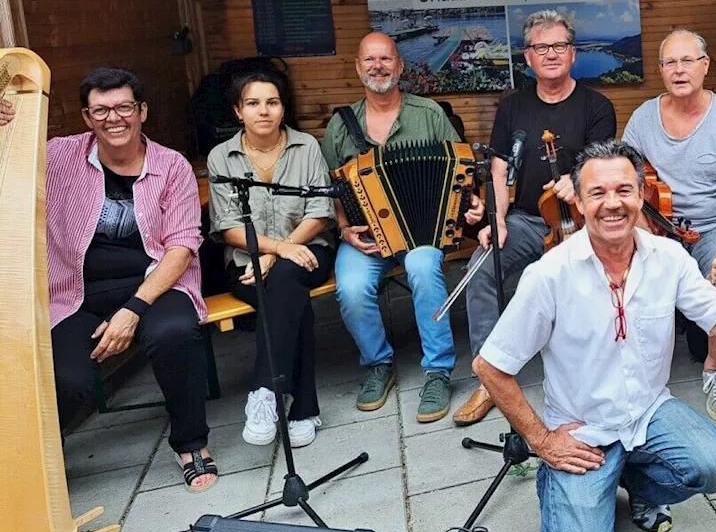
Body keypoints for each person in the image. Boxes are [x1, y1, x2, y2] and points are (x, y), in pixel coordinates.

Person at [472, 140, 716, 532]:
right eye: (597, 193)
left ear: (642, 195)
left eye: (624, 190)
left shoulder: (669, 257)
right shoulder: (549, 273)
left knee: (714, 465)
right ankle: (563, 483)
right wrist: (543, 441)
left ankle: (636, 485)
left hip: (647, 413)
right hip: (583, 432)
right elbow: (490, 366)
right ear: (578, 203)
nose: (612, 204)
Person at [42, 67, 217, 492]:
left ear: (142, 111)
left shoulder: (170, 165)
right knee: (69, 378)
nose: (112, 118)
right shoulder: (57, 155)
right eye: (100, 110)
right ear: (86, 117)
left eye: (123, 107)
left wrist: (133, 310)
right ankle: (38, 466)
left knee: (174, 333)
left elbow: (181, 246)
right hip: (75, 293)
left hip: (155, 285)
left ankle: (191, 442)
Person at [454, 10, 617, 426]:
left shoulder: (597, 106)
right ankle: (491, 379)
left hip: (585, 226)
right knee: (481, 269)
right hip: (527, 219)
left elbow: (604, 168)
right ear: (527, 57)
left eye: (559, 46)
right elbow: (497, 169)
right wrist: (498, 218)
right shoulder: (512, 109)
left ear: (572, 53)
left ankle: (602, 371)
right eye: (541, 47)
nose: (551, 54)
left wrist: (577, 182)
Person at [320, 32, 483, 423]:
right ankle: (378, 364)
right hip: (366, 237)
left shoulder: (428, 113)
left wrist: (470, 203)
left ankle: (439, 370)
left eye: (386, 59)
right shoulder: (341, 126)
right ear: (359, 68)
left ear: (400, 66)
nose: (379, 66)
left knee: (424, 267)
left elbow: (460, 171)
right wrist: (344, 229)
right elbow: (331, 189)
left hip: (422, 232)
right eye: (370, 60)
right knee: (352, 287)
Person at [622, 28, 716, 423]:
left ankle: (714, 370)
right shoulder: (643, 117)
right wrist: (642, 228)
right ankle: (636, 376)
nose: (679, 70)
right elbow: (629, 180)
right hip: (657, 224)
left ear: (704, 66)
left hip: (713, 225)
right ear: (661, 70)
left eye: (687, 61)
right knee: (624, 279)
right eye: (670, 63)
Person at [207, 71, 335, 448]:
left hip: (310, 252)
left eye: (272, 102)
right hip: (247, 265)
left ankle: (265, 390)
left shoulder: (306, 146)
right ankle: (303, 408)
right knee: (287, 294)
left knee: (284, 282)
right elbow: (227, 227)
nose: (264, 111)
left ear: (283, 109)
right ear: (238, 111)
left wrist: (284, 251)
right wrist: (276, 251)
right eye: (253, 103)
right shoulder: (221, 157)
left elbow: (321, 212)